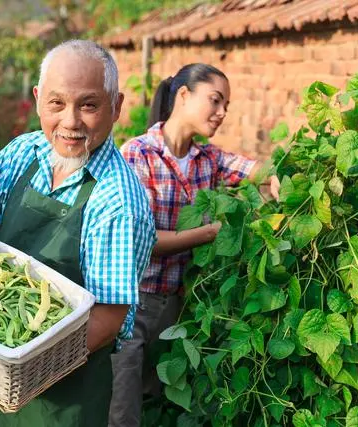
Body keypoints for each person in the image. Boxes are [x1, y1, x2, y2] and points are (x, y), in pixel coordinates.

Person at [0, 39, 156, 427]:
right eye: (57, 103)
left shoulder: (117, 202)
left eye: (89, 105)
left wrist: (13, 368)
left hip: (61, 393)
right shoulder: (29, 152)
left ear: (116, 107)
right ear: (38, 99)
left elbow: (108, 317)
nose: (71, 121)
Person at [109, 63, 280, 427]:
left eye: (226, 106)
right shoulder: (137, 154)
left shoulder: (209, 159)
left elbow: (253, 169)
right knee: (121, 411)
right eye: (215, 101)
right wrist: (210, 233)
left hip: (176, 306)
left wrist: (275, 176)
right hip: (129, 305)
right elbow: (144, 240)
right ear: (184, 95)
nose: (221, 114)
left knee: (156, 402)